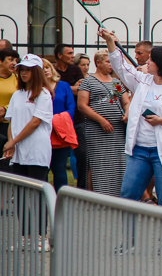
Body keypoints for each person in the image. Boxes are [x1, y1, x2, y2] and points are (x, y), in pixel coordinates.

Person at [98, 29, 162, 214]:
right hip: (139, 150)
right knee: (128, 196)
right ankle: (128, 241)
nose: (146, 62)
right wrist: (110, 42)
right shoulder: (142, 81)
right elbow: (121, 67)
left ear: (160, 64)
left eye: (150, 60)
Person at [77, 50, 129, 196]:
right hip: (97, 130)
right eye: (108, 62)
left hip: (117, 130)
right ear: (98, 63)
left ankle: (115, 194)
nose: (111, 65)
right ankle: (96, 195)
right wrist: (101, 120)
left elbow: (125, 102)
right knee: (98, 163)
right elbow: (82, 105)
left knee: (117, 162)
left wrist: (127, 113)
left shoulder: (115, 83)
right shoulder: (88, 81)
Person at [1, 55, 53, 179]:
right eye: (22, 69)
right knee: (20, 192)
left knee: (36, 192)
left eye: (28, 70)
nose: (24, 73)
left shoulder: (43, 94)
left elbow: (35, 122)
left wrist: (13, 141)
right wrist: (11, 142)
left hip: (36, 150)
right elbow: (11, 121)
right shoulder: (17, 94)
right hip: (19, 150)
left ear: (36, 72)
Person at [42, 58, 75, 191]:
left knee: (59, 167)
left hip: (61, 132)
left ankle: (60, 198)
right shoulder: (37, 88)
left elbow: (71, 108)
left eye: (47, 67)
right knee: (43, 168)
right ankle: (43, 198)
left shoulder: (64, 86)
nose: (45, 70)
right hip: (43, 131)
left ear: (52, 69)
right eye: (42, 68)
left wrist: (57, 120)